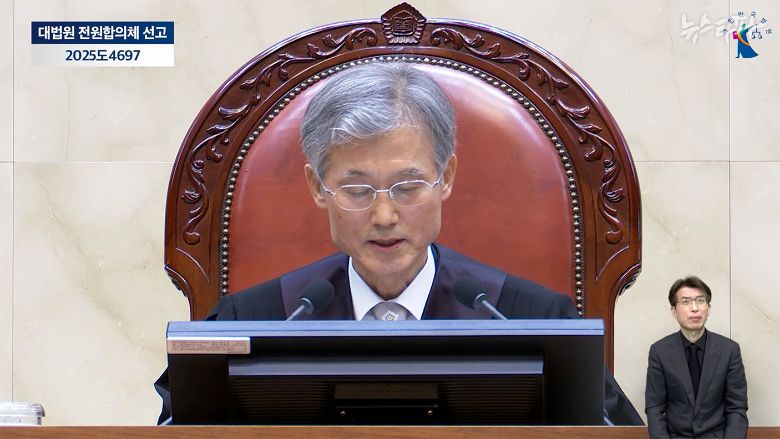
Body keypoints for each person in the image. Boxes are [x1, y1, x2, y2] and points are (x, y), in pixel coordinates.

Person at [156, 62, 641, 424]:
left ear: (446, 177)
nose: (384, 216)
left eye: (408, 187)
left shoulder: (526, 319)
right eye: (356, 190)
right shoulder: (257, 321)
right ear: (317, 187)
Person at [645, 276, 748, 438]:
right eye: (686, 302)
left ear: (709, 308)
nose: (694, 308)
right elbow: (655, 407)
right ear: (673, 311)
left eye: (700, 301)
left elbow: (737, 407)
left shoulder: (729, 350)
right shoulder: (660, 351)